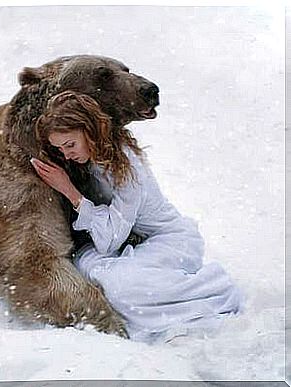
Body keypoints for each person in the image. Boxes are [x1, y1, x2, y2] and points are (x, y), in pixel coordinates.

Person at [30, 90, 243, 343]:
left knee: (120, 286)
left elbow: (108, 241)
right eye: (60, 149)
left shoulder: (126, 167)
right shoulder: (95, 155)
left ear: (88, 131)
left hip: (169, 239)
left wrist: (69, 191)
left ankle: (214, 290)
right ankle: (150, 293)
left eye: (70, 145)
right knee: (85, 267)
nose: (67, 155)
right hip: (129, 240)